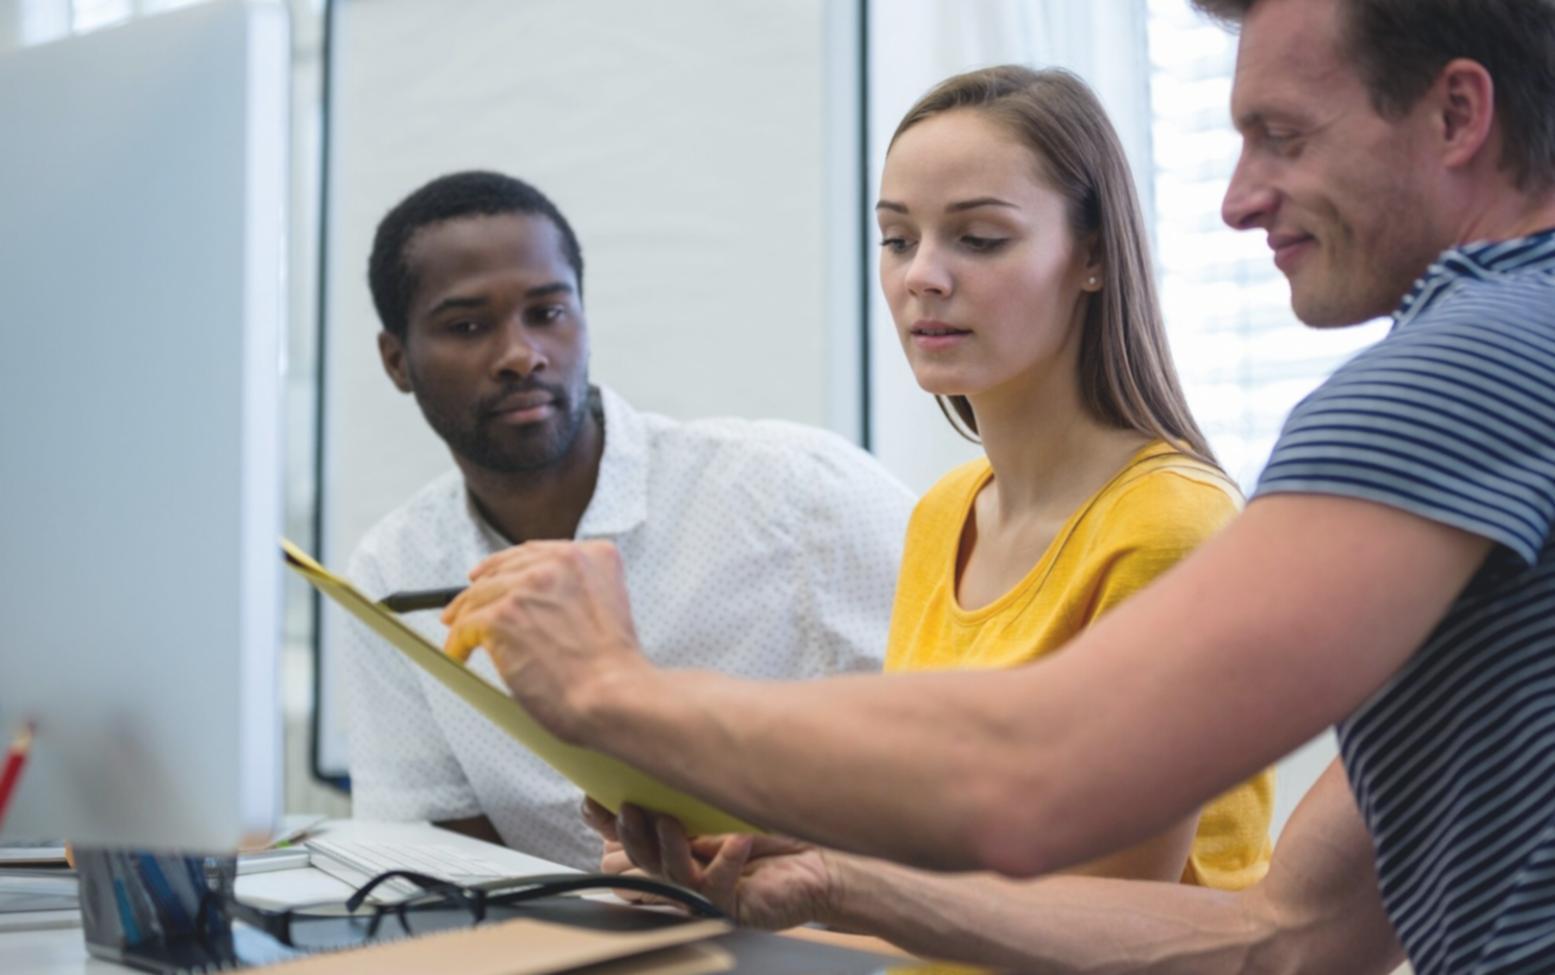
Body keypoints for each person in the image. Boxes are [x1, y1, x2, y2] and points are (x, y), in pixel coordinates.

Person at [440, 0, 1555, 970]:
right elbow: (1289, 941)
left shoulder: (1463, 371)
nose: (1236, 200)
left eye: (1283, 137)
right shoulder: (1501, 377)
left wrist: (612, 693)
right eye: (897, 238)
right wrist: (832, 877)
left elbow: (1037, 775)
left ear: (1458, 114)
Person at [592, 65, 1274, 916]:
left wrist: (815, 883)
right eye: (896, 238)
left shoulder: (1170, 523)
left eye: (978, 239)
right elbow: (936, 840)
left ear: (1093, 256)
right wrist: (740, 846)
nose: (921, 275)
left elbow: (1100, 911)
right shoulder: (944, 513)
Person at [341, 170, 915, 869]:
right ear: (396, 361)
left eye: (548, 312)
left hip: (829, 923)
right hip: (557, 932)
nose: (521, 355)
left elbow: (965, 757)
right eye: (467, 326)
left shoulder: (799, 492)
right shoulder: (393, 570)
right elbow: (437, 858)